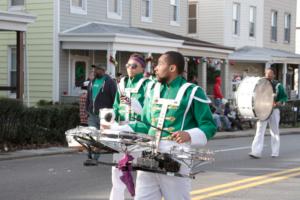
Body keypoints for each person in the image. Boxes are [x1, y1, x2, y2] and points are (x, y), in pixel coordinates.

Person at [113, 51, 216, 200]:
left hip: (176, 157)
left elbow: (209, 126)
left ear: (172, 68)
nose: (155, 68)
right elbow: (144, 124)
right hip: (149, 153)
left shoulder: (192, 91)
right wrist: (118, 131)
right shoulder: (153, 90)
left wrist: (189, 134)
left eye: (160, 64)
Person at [109, 53, 150, 200]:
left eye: (134, 66)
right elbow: (115, 106)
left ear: (142, 68)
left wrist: (133, 103)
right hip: (121, 130)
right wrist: (111, 120)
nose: (130, 68)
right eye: (127, 65)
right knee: (118, 169)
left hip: (139, 131)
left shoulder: (148, 85)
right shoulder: (121, 83)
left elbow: (148, 111)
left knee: (142, 171)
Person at [249, 68, 288, 159]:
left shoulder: (278, 85)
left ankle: (275, 152)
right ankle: (256, 151)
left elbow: (284, 97)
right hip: (263, 110)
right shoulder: (260, 84)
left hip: (274, 110)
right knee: (259, 130)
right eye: (267, 74)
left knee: (274, 131)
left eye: (271, 74)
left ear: (274, 75)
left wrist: (278, 102)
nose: (269, 76)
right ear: (265, 74)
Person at [85, 64, 117, 165]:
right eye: (94, 69)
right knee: (91, 135)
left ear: (103, 70)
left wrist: (113, 113)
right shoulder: (92, 82)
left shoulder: (110, 82)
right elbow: (89, 97)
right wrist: (87, 109)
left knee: (100, 138)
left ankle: (95, 158)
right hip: (92, 114)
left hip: (105, 115)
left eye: (97, 69)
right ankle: (90, 157)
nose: (95, 71)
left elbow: (115, 98)